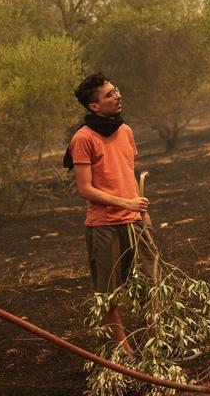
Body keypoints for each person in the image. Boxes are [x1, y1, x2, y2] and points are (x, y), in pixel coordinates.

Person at [63, 73, 158, 354]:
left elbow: (125, 173)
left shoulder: (125, 130)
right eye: (109, 94)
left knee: (151, 287)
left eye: (116, 91)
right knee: (109, 294)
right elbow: (85, 189)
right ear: (94, 106)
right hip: (104, 226)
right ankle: (124, 352)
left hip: (136, 222)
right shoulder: (83, 138)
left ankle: (155, 346)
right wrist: (124, 203)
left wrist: (142, 213)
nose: (118, 96)